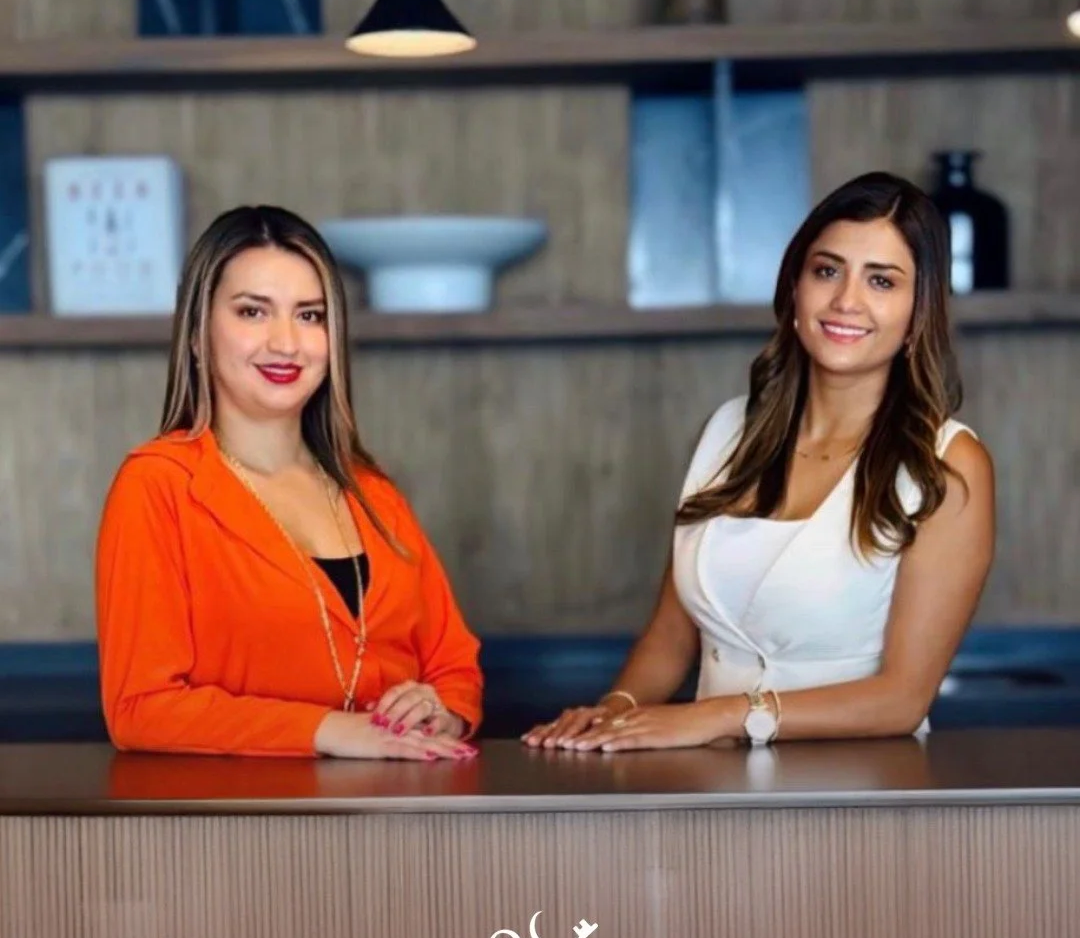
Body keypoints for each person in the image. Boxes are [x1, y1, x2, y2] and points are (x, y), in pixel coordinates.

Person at [524, 172, 995, 753]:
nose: (847, 300)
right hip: (711, 792)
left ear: (917, 312)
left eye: (881, 280)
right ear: (794, 287)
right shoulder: (728, 430)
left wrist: (720, 715)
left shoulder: (946, 463)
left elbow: (902, 699)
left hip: (860, 795)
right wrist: (610, 714)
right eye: (827, 271)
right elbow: (673, 636)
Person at [97, 205, 482, 759]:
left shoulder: (373, 493)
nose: (286, 343)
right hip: (243, 825)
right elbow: (140, 706)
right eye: (253, 312)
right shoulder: (158, 486)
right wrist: (330, 730)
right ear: (198, 336)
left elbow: (454, 665)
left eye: (310, 316)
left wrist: (438, 710)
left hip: (395, 815)